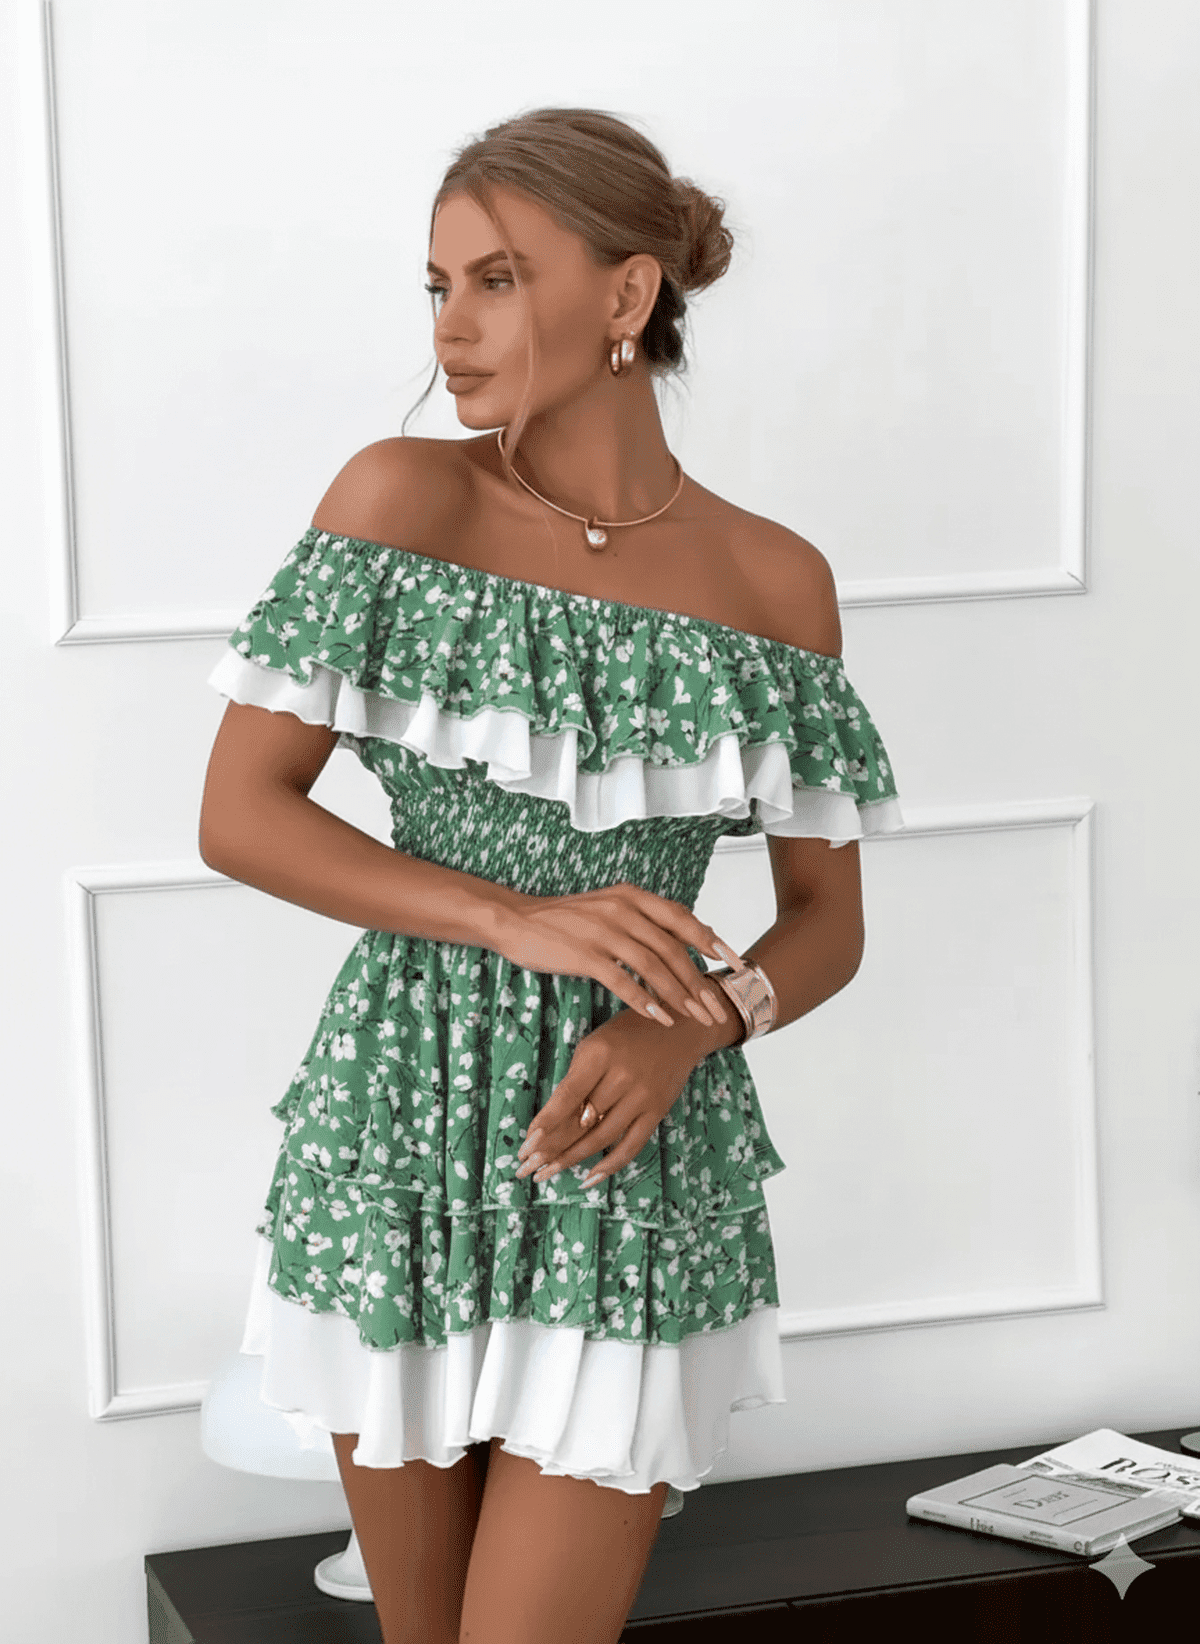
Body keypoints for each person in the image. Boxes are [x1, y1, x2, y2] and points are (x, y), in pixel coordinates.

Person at [199, 106, 903, 1644]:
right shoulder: (402, 499)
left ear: (628, 293)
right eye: (438, 285)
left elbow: (828, 923)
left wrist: (689, 1029)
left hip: (626, 1145)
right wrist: (512, 916)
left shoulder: (773, 579)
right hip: (403, 1113)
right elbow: (241, 813)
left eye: (499, 279)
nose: (450, 326)